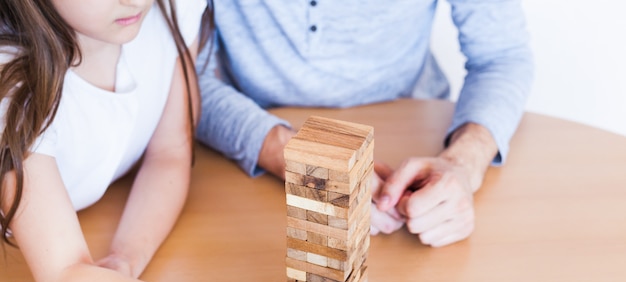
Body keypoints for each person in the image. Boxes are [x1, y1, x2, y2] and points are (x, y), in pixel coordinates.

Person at [2, 0, 362, 282]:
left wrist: (123, 261)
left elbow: (170, 153)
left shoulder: (167, 11)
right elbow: (66, 281)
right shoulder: (12, 86)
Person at [195, 0, 534, 247]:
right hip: (246, 152)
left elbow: (502, 55)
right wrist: (285, 151)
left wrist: (464, 162)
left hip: (416, 140)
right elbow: (185, 75)